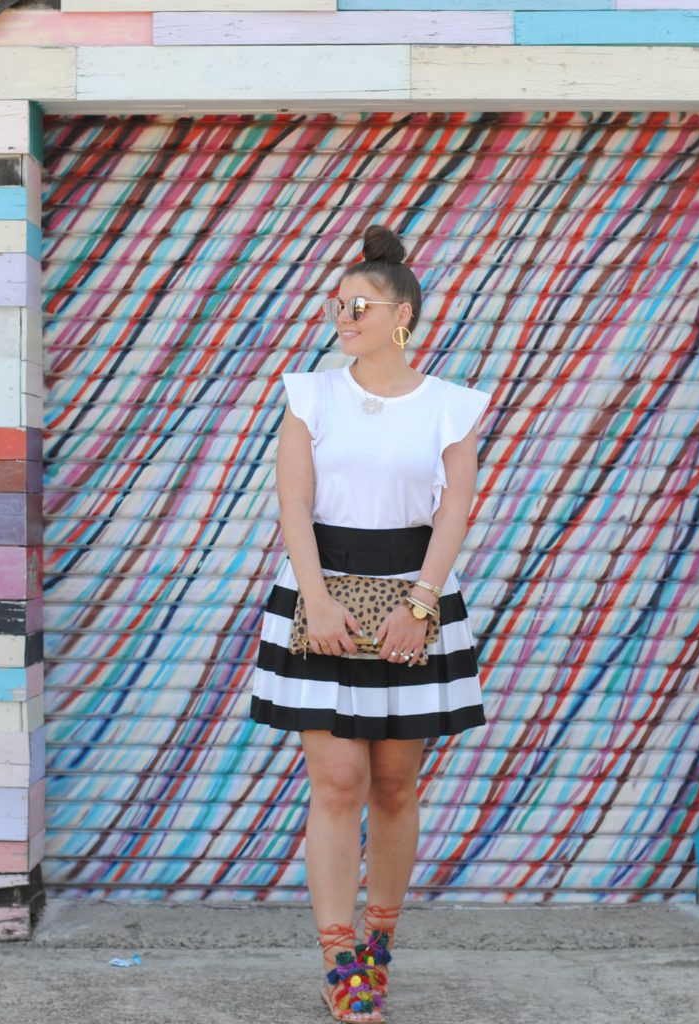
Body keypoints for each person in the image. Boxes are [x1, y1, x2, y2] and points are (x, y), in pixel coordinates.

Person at [250, 224, 490, 1023]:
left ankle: (379, 946)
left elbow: (454, 512)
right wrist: (314, 600)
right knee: (339, 779)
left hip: (414, 600)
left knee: (393, 782)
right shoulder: (307, 393)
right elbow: (292, 501)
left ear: (403, 317)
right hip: (318, 592)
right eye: (335, 305)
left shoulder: (450, 406)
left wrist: (420, 606)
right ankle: (337, 955)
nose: (342, 315)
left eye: (358, 303)